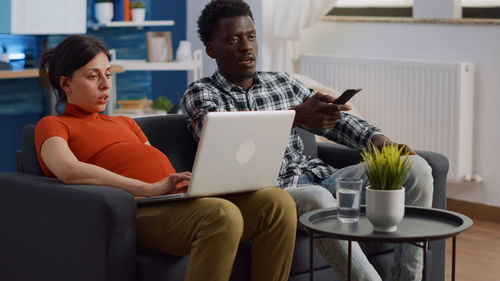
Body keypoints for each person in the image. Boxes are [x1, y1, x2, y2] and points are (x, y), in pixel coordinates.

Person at [182, 1, 434, 281]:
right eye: (234, 39)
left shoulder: (282, 82)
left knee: (415, 168)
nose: (246, 46)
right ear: (212, 50)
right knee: (317, 197)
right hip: (271, 196)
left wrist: (379, 140)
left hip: (320, 178)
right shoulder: (201, 93)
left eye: (251, 36)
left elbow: (334, 119)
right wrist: (297, 115)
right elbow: (223, 135)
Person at [35, 34, 297, 281]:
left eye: (108, 74)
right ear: (65, 83)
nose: (105, 84)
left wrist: (194, 185)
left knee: (276, 202)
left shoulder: (126, 123)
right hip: (133, 212)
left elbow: (151, 160)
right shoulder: (53, 125)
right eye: (93, 76)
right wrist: (149, 189)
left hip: (174, 201)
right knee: (221, 215)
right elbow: (68, 169)